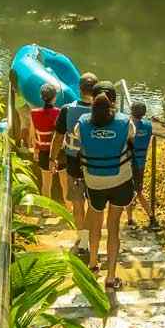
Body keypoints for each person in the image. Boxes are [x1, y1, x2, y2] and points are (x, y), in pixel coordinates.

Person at [77, 87, 138, 290]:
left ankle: (93, 263)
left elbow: (78, 139)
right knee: (113, 228)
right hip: (120, 181)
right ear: (112, 104)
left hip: (94, 182)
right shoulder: (124, 122)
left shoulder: (82, 123)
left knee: (96, 223)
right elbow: (131, 140)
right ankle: (111, 277)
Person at [54, 73, 97, 260]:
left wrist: (52, 157)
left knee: (77, 202)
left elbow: (58, 137)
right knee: (93, 204)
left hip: (73, 163)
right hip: (96, 165)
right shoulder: (102, 111)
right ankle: (88, 239)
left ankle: (83, 240)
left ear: (79, 88)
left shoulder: (67, 109)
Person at [28, 82, 63, 200]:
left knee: (46, 183)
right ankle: (69, 211)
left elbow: (33, 135)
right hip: (58, 152)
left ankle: (45, 210)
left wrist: (35, 150)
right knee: (64, 183)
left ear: (41, 97)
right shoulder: (59, 112)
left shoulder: (34, 113)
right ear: (55, 97)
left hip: (43, 152)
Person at [128, 98, 155, 224]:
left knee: (128, 191)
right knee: (138, 191)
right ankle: (150, 215)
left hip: (130, 162)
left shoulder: (128, 125)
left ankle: (129, 218)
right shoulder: (148, 125)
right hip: (141, 161)